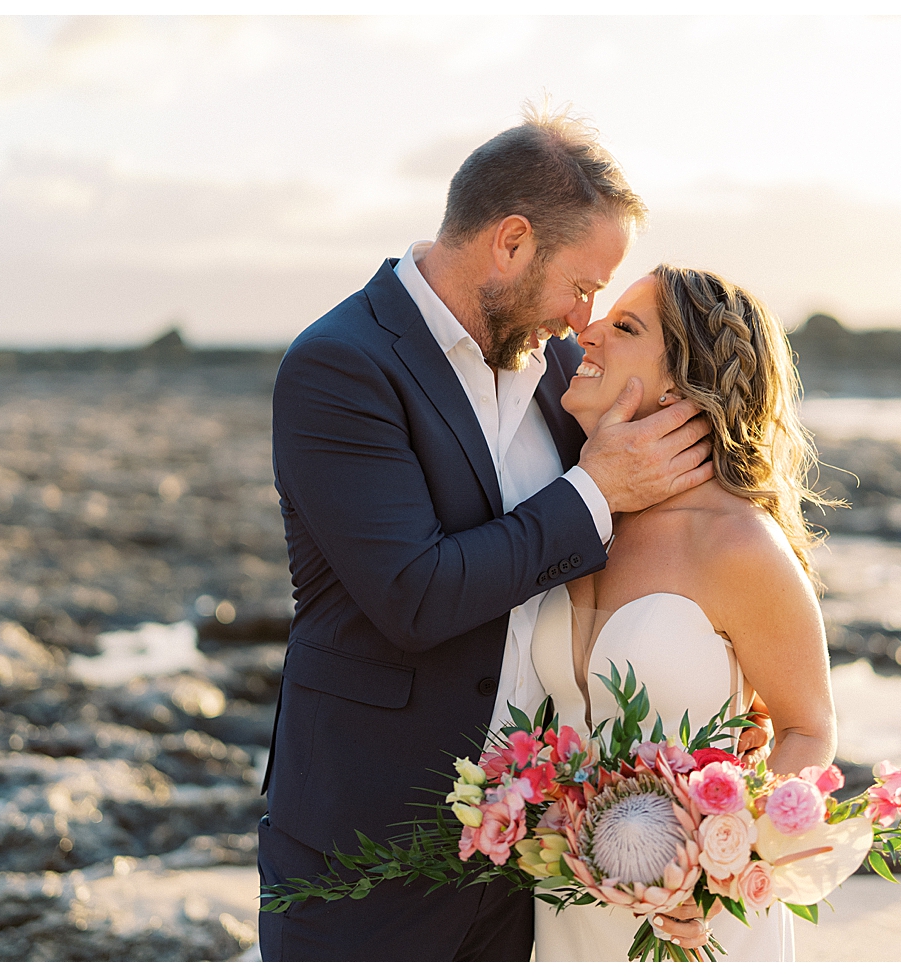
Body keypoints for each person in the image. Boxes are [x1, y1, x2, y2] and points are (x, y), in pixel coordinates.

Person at [259, 106, 718, 961]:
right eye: (583, 285)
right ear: (511, 243)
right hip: (370, 852)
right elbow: (415, 593)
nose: (587, 315)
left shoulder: (563, 371)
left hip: (537, 860)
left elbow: (657, 525)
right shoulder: (341, 365)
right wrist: (594, 492)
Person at [529, 265, 839, 961]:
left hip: (694, 927)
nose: (588, 330)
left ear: (679, 386)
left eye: (626, 327)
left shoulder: (735, 541)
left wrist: (725, 873)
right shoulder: (571, 513)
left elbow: (807, 727)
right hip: (567, 904)